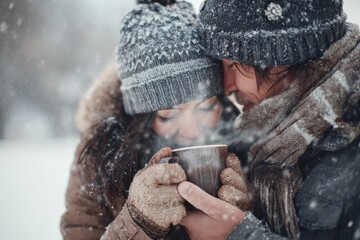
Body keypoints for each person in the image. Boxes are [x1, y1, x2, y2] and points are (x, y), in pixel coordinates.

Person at [60, 1, 252, 239]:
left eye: (206, 107)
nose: (192, 131)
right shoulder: (99, 159)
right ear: (139, 120)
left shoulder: (248, 144)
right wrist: (139, 224)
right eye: (168, 114)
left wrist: (241, 222)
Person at [178, 0, 360, 239]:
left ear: (280, 61)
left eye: (233, 65)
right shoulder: (263, 134)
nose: (227, 86)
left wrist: (238, 235)